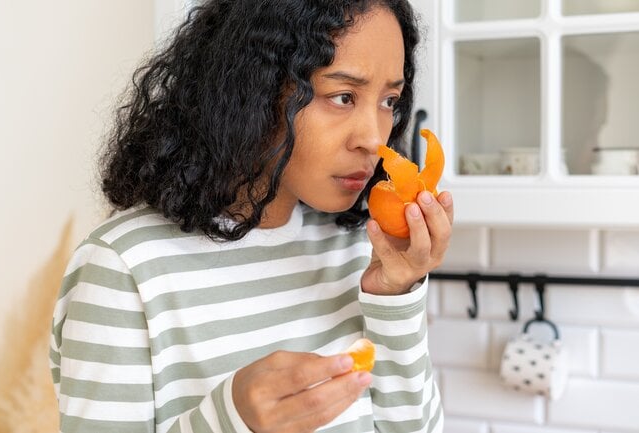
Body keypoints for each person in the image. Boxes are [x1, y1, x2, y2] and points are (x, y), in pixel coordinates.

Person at [50, 0, 453, 431]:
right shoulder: (124, 267)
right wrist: (232, 419)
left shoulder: (358, 248)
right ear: (254, 89)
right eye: (342, 96)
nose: (374, 139)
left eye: (389, 100)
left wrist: (395, 296)